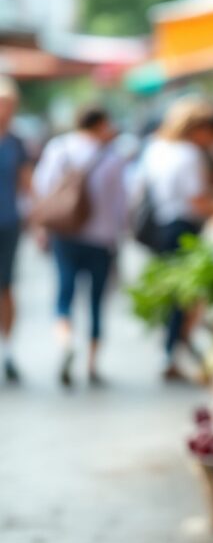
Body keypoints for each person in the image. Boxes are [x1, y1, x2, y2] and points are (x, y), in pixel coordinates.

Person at [32, 106, 128, 385]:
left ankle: (65, 343)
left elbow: (43, 187)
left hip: (65, 234)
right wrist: (120, 233)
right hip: (102, 238)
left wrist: (42, 227)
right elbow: (121, 203)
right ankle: (92, 364)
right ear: (100, 124)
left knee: (65, 293)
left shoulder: (59, 149)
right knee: (97, 301)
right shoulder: (112, 158)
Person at [138, 97, 213, 381]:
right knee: (183, 295)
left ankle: (173, 348)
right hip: (183, 227)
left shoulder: (157, 148)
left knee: (175, 291)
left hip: (161, 225)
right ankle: (172, 349)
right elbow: (196, 199)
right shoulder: (189, 154)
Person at [0, 77, 31, 382]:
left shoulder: (16, 142)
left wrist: (38, 221)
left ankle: (7, 349)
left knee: (6, 286)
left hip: (8, 223)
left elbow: (27, 184)